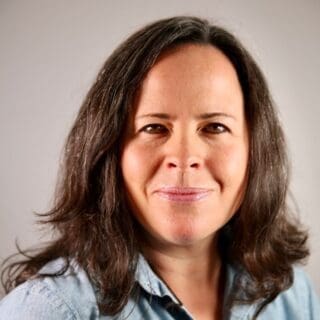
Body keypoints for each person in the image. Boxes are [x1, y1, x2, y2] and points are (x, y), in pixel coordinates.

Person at [0, 16, 319, 320]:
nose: (184, 156)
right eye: (154, 128)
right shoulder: (50, 310)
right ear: (108, 149)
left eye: (215, 127)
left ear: (256, 149)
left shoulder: (292, 294)